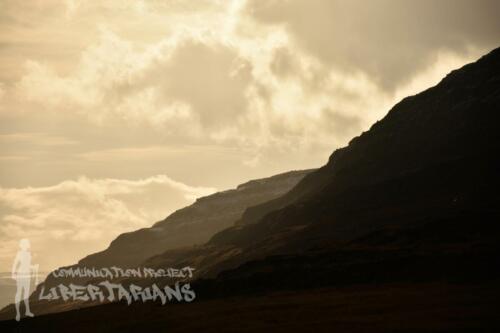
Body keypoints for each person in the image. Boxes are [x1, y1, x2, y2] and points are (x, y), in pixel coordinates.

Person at [11, 238, 37, 321]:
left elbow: (27, 265)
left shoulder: (28, 254)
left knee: (26, 293)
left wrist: (33, 267)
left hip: (27, 275)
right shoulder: (19, 253)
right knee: (19, 292)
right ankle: (18, 314)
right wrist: (13, 273)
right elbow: (15, 263)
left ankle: (27, 311)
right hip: (21, 275)